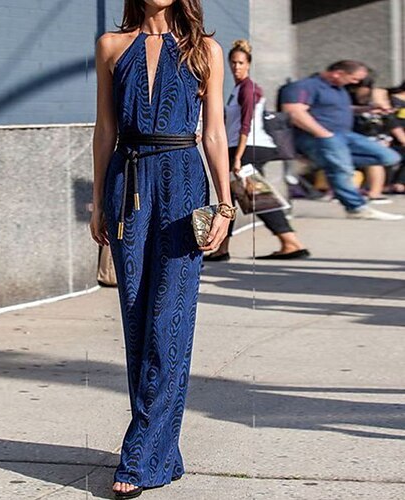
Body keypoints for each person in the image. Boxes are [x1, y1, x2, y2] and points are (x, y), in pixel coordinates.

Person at [90, 1, 234, 498]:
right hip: (127, 184)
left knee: (169, 318)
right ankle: (162, 452)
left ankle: (139, 456)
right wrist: (95, 201)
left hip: (183, 183)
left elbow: (214, 131)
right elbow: (105, 128)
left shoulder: (205, 50)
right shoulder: (111, 46)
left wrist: (225, 204)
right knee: (136, 320)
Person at [204, 39, 310, 262]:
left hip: (249, 147)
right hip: (241, 147)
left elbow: (246, 124)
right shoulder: (238, 89)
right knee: (232, 198)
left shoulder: (249, 88)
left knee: (256, 197)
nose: (236, 67)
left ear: (249, 64)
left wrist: (239, 157)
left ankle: (291, 242)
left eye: (241, 63)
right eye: (233, 62)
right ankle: (222, 248)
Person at [281, 60, 403, 221]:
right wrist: (322, 133)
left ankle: (322, 161)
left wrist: (367, 109)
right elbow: (294, 112)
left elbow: (338, 109)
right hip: (321, 136)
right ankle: (356, 207)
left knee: (388, 157)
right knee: (341, 169)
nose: (356, 83)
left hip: (344, 135)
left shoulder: (338, 89)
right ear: (338, 73)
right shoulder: (305, 86)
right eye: (353, 78)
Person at [347, 75, 405, 197]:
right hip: (375, 135)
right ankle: (379, 189)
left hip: (383, 135)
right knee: (377, 159)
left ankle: (388, 186)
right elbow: (391, 120)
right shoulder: (383, 95)